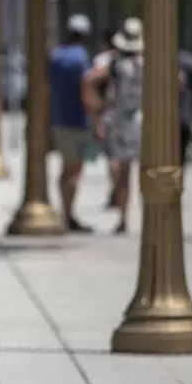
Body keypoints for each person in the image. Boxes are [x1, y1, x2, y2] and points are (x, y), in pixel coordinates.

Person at [84, 17, 145, 234]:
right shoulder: (143, 64)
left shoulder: (116, 64)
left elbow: (89, 80)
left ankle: (123, 215)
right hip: (137, 119)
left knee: (121, 169)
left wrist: (97, 111)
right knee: (129, 171)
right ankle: (127, 214)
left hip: (122, 119)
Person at [49, 14, 94, 233]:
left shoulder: (56, 56)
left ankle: (64, 211)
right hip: (77, 120)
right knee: (75, 171)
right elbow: (86, 88)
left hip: (59, 118)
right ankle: (68, 214)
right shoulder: (81, 58)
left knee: (65, 169)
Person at [92, 28, 120, 209]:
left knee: (113, 157)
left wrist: (95, 113)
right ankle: (120, 191)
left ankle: (116, 190)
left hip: (108, 111)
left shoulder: (101, 61)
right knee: (124, 160)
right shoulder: (134, 60)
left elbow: (91, 84)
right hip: (129, 113)